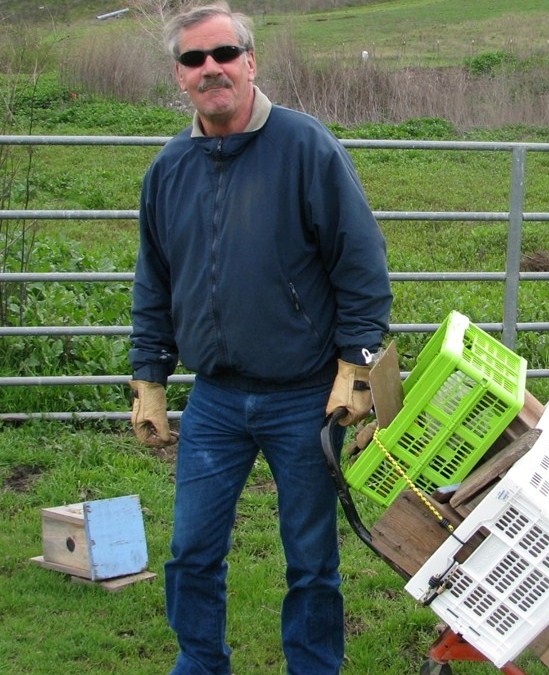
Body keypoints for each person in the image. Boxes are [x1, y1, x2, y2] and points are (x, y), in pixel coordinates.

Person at [127, 2, 392, 673]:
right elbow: (154, 283)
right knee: (192, 549)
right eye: (194, 59)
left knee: (310, 557)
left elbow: (360, 264)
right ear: (179, 76)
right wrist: (149, 380)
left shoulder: (307, 148)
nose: (210, 68)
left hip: (303, 394)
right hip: (214, 398)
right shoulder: (169, 170)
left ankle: (312, 665)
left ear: (251, 61)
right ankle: (200, 661)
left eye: (224, 54)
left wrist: (357, 366)